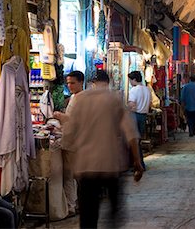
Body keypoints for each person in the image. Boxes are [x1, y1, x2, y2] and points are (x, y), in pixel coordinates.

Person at [61, 70, 144, 228]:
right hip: (110, 165)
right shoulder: (114, 100)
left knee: (87, 216)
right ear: (109, 81)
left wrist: (71, 161)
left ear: (92, 83)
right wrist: (137, 163)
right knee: (113, 213)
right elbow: (131, 134)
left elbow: (69, 133)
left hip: (86, 166)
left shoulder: (80, 100)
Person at [53, 70, 84, 217]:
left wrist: (60, 116)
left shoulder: (80, 98)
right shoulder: (75, 97)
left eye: (73, 83)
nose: (70, 86)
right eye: (68, 83)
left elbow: (74, 121)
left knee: (70, 176)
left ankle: (72, 206)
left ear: (81, 82)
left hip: (74, 143)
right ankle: (75, 204)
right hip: (73, 141)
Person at [127, 71, 152, 170]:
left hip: (135, 116)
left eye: (130, 80)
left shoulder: (134, 90)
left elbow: (132, 104)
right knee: (137, 141)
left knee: (134, 142)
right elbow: (150, 104)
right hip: (143, 116)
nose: (129, 82)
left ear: (134, 80)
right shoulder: (147, 90)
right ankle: (138, 164)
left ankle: (138, 164)